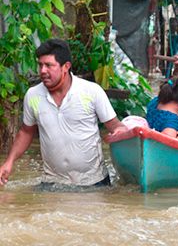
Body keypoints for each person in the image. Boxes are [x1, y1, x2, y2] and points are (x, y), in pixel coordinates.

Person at [0, 39, 128, 188]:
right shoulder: (33, 96)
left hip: (94, 182)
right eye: (40, 65)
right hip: (52, 182)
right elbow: (26, 132)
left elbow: (115, 126)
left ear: (66, 67)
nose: (42, 71)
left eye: (49, 65)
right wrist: (9, 162)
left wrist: (121, 134)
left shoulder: (91, 92)